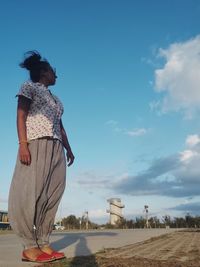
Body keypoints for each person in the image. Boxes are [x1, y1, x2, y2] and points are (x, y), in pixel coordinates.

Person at [8, 51, 74, 263]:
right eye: (54, 72)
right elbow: (21, 115)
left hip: (56, 147)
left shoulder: (56, 99)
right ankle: (29, 245)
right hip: (36, 142)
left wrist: (69, 148)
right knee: (30, 191)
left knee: (52, 193)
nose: (56, 76)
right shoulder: (29, 87)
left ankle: (43, 241)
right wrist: (23, 144)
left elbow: (60, 127)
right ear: (44, 72)